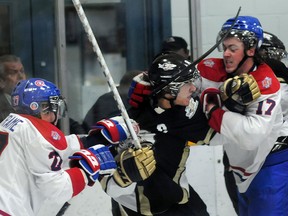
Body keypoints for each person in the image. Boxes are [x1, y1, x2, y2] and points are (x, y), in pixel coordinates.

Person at [100, 53, 215, 216]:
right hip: (137, 208)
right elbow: (108, 182)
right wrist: (124, 175)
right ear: (170, 88)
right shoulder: (128, 123)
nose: (193, 88)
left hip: (177, 202)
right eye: (187, 83)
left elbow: (223, 134)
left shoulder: (186, 113)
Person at [198, 16, 288, 215]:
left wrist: (214, 110)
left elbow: (251, 135)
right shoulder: (222, 71)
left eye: (233, 48)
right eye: (225, 47)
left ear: (252, 50)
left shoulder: (271, 81)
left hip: (271, 161)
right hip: (239, 163)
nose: (226, 53)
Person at [0, 78, 118, 215]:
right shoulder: (36, 134)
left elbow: (50, 150)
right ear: (42, 108)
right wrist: (86, 170)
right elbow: (54, 190)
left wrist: (91, 141)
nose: (56, 116)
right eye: (53, 108)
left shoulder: (12, 124)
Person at [222, 30, 288, 214]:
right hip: (238, 162)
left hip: (271, 161)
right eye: (272, 55)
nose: (276, 61)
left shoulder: (277, 77)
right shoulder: (229, 76)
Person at [0, 54, 26, 122]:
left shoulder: (33, 101)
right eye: (13, 72)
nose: (21, 76)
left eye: (22, 71)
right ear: (1, 81)